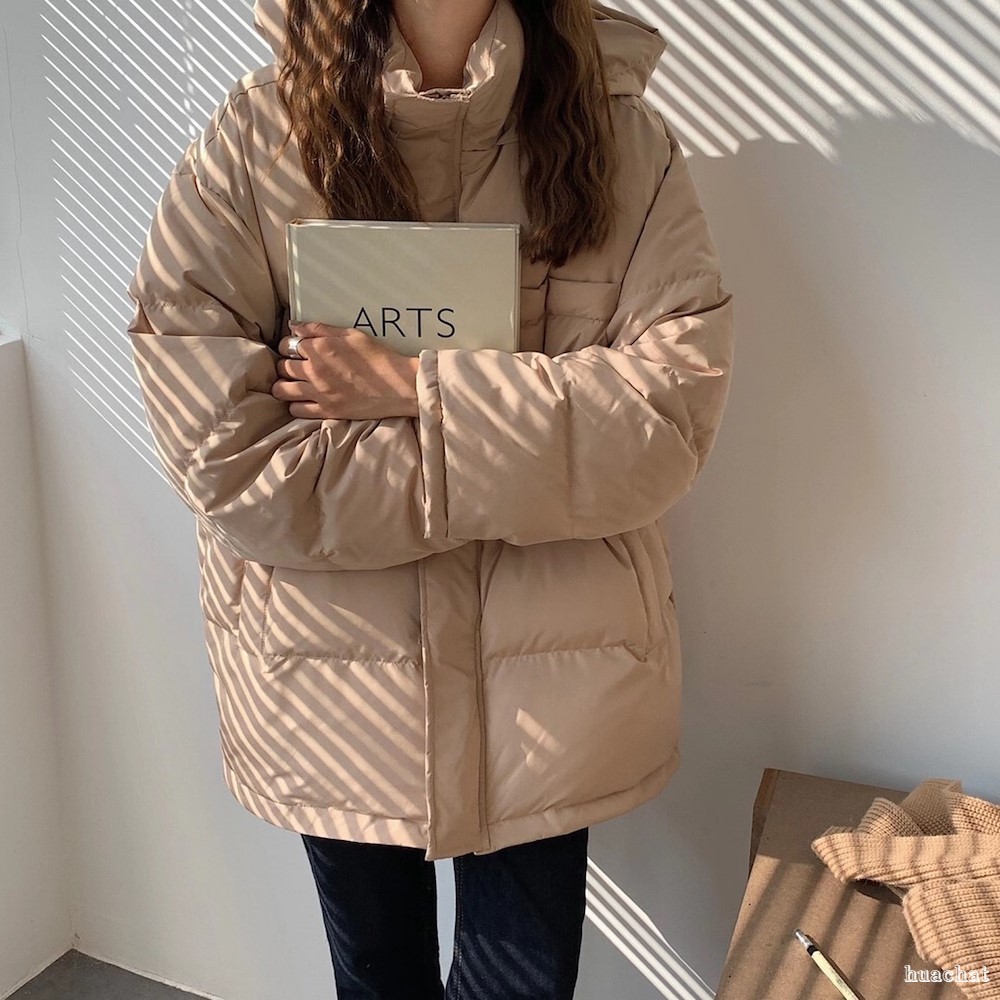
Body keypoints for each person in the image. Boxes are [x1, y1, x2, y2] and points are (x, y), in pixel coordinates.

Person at [124, 0, 735, 996]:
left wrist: (414, 388)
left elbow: (663, 425)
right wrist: (513, 453)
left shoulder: (622, 142)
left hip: (553, 688)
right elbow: (228, 459)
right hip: (332, 676)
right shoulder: (255, 142)